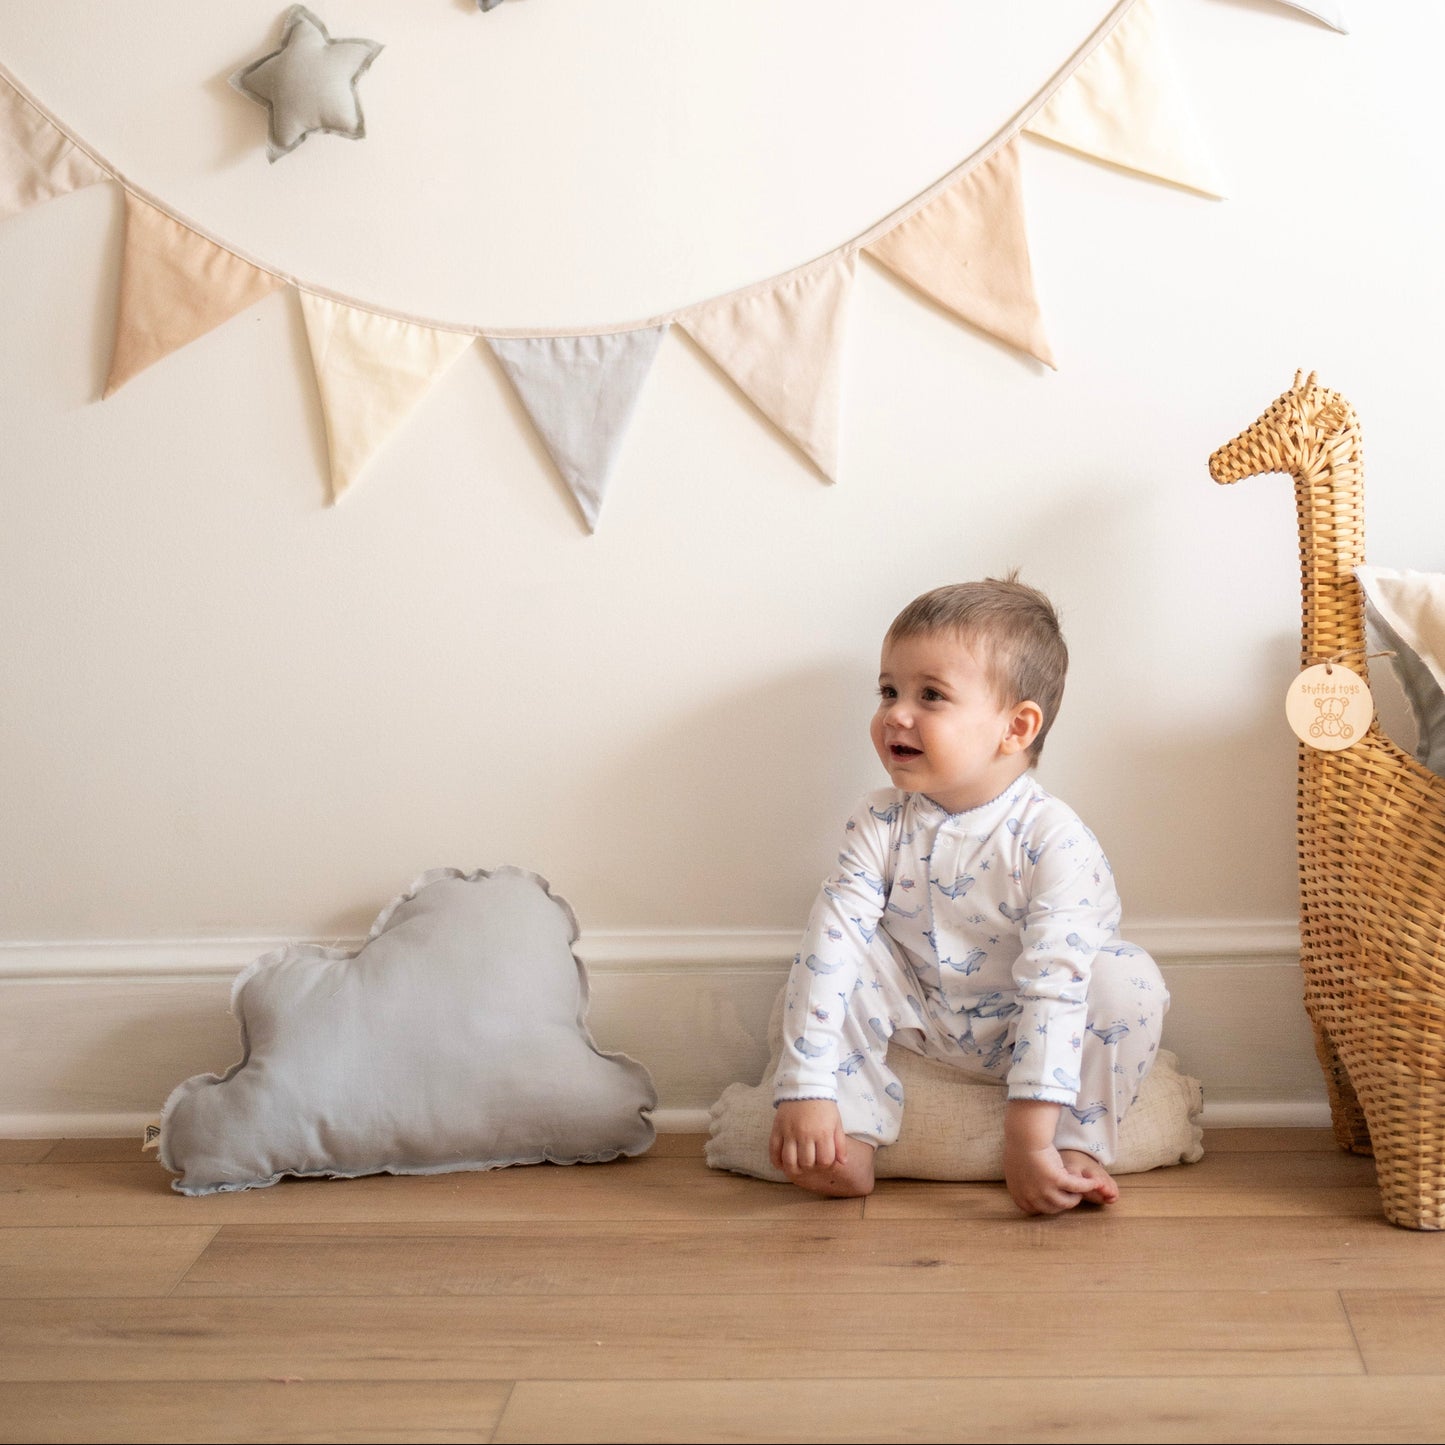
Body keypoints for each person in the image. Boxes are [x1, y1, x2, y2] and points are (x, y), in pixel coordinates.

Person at [768, 575, 1167, 1215]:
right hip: (922, 1012)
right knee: (844, 952)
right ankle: (852, 1130)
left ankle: (1075, 1144)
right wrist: (807, 1089)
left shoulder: (1052, 838)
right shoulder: (879, 819)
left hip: (1026, 1024)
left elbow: (1055, 985)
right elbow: (832, 946)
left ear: (1016, 727)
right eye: (889, 691)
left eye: (931, 695)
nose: (897, 713)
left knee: (1128, 980)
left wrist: (1026, 1139)